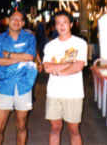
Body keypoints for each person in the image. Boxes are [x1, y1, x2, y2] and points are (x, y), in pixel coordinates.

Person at [0, 10, 37, 145]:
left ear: (23, 23)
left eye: (19, 20)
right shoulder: (0, 39)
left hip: (24, 85)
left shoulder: (29, 38)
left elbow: (30, 57)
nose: (16, 22)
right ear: (8, 20)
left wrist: (8, 55)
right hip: (4, 85)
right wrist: (20, 58)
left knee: (21, 125)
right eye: (13, 19)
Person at [43, 10, 88, 145]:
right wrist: (68, 64)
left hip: (73, 93)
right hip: (54, 93)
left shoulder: (80, 43)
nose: (61, 26)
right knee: (55, 128)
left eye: (65, 22)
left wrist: (58, 71)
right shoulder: (50, 45)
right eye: (58, 23)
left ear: (71, 24)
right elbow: (47, 68)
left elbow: (78, 67)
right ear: (55, 26)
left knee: (73, 130)